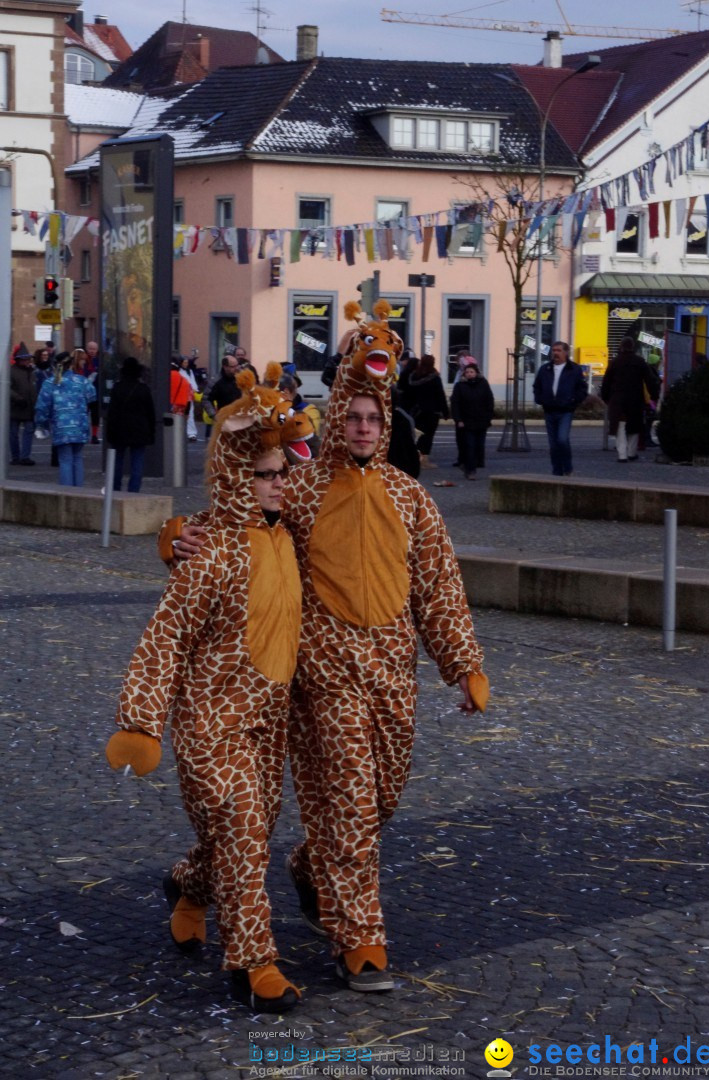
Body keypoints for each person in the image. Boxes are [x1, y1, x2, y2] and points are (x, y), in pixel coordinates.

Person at [163, 299, 489, 994]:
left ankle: (215, 873)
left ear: (386, 423)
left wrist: (462, 663)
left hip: (390, 675)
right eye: (352, 415)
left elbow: (438, 585)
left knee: (379, 801)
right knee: (346, 798)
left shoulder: (409, 498)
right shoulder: (300, 486)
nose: (363, 427)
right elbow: (232, 516)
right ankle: (358, 938)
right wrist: (174, 539)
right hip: (321, 671)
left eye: (374, 417)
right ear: (337, 413)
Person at [106, 386, 304, 1013]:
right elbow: (162, 639)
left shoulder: (291, 536)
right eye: (264, 476)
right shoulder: (209, 554)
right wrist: (141, 722)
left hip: (267, 727)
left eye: (282, 473)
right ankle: (253, 962)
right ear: (238, 478)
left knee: (242, 837)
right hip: (211, 727)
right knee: (244, 829)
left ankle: (189, 885)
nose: (278, 484)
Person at [35, 351, 96, 486]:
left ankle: (67, 493)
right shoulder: (81, 381)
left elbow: (42, 407)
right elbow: (93, 395)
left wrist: (41, 424)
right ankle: (79, 493)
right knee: (77, 458)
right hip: (80, 426)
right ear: (70, 365)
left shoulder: (50, 383)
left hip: (61, 426)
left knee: (65, 460)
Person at [600, 338, 661, 463]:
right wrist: (654, 395)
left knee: (620, 426)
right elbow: (650, 380)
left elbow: (606, 382)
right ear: (633, 347)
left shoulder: (615, 362)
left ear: (621, 347)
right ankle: (631, 452)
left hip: (618, 399)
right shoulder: (640, 362)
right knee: (634, 426)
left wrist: (606, 397)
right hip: (635, 398)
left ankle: (622, 454)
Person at [532, 341, 588, 477]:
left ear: (566, 352)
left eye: (558, 350)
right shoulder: (545, 369)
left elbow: (582, 388)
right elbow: (537, 386)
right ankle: (557, 471)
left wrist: (574, 400)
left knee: (562, 439)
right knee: (553, 444)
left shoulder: (573, 369)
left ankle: (568, 468)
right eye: (554, 350)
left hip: (565, 410)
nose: (555, 353)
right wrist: (540, 399)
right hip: (549, 410)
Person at [106, 357, 156, 492]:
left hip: (120, 429)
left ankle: (115, 488)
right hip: (139, 429)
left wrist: (109, 431)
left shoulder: (117, 388)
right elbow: (150, 413)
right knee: (137, 462)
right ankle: (134, 490)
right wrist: (151, 431)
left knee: (117, 461)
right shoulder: (143, 389)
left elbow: (112, 412)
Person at [450, 359, 494, 479]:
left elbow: (489, 401)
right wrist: (458, 419)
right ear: (464, 374)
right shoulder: (460, 386)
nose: (469, 374)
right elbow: (455, 403)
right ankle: (471, 470)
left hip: (481, 421)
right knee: (469, 446)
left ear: (476, 373)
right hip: (466, 421)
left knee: (480, 446)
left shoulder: (483, 384)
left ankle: (472, 464)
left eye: (471, 372)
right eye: (467, 372)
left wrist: (489, 417)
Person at [404, 353, 449, 469]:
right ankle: (424, 460)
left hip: (416, 411)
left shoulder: (413, 377)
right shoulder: (434, 378)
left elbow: (408, 395)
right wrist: (445, 411)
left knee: (417, 435)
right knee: (428, 436)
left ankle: (414, 458)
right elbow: (440, 395)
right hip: (431, 412)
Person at [9, 342, 37, 465]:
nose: (28, 361)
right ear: (19, 360)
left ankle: (25, 456)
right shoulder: (11, 371)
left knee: (28, 432)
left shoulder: (31, 372)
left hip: (29, 407)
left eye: (28, 359)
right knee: (13, 434)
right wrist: (17, 398)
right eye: (25, 359)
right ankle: (16, 457)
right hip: (16, 406)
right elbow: (6, 388)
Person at [203, 354, 242, 425]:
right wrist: (214, 415)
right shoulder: (216, 381)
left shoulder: (241, 377)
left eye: (237, 365)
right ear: (225, 367)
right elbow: (206, 399)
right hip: (225, 420)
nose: (237, 368)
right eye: (233, 366)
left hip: (241, 418)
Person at [178, 355, 199, 441]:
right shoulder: (179, 372)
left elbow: (193, 382)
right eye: (184, 362)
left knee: (190, 414)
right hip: (182, 395)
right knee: (181, 414)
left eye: (187, 362)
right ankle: (181, 431)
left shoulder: (189, 371)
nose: (186, 364)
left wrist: (194, 389)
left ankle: (191, 433)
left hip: (189, 396)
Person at [85, 341, 101, 443]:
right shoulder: (83, 360)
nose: (92, 351)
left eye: (94, 349)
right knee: (83, 414)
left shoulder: (100, 361)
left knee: (96, 415)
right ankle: (83, 434)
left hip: (96, 393)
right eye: (90, 348)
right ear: (87, 349)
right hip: (84, 393)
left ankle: (94, 436)